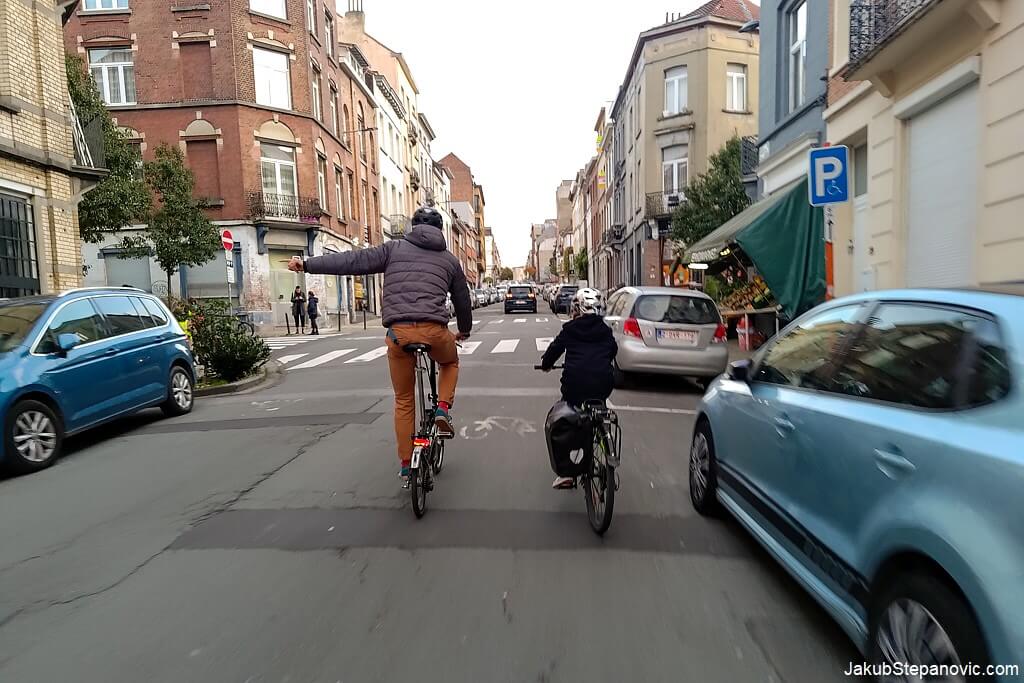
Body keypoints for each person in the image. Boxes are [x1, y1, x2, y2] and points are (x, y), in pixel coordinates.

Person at [288, 206, 473, 485]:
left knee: (403, 399)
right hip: (434, 332)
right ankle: (443, 409)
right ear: (440, 231)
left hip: (399, 334)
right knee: (450, 362)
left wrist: (307, 264)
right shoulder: (450, 260)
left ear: (413, 227)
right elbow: (462, 300)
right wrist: (464, 330)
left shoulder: (393, 249)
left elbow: (353, 261)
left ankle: (405, 462)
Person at [539, 287, 618, 489]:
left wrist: (546, 364)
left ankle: (568, 473)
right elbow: (612, 350)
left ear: (578, 309)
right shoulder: (606, 331)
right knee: (598, 406)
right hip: (603, 384)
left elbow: (554, 350)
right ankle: (602, 439)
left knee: (566, 418)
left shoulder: (570, 330)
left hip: (575, 385)